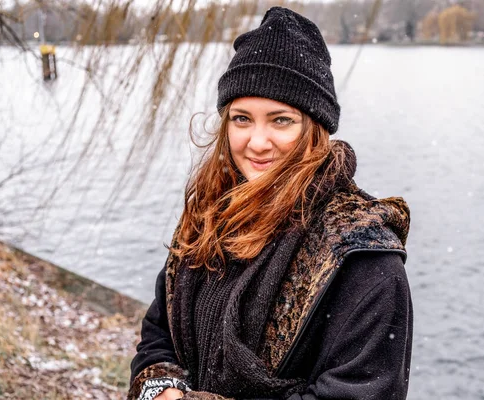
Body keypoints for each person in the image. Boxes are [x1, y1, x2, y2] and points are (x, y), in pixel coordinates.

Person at [128, 7, 412, 400]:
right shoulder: (207, 218)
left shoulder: (363, 256)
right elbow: (160, 333)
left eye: (280, 120)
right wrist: (160, 388)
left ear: (314, 128)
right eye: (242, 119)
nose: (257, 142)